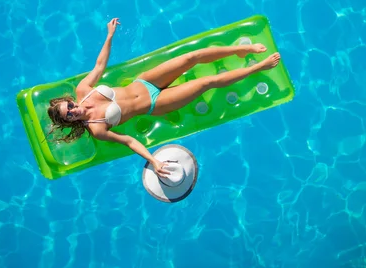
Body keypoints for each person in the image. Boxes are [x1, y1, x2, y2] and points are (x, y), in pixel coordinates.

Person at [48, 18, 281, 178]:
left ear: (70, 100)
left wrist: (109, 35)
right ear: (70, 122)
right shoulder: (97, 128)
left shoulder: (83, 90)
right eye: (67, 115)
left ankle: (239, 50)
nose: (71, 110)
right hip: (155, 104)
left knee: (192, 56)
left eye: (68, 106)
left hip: (145, 81)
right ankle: (256, 68)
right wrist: (153, 160)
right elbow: (129, 141)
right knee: (205, 83)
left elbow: (100, 65)